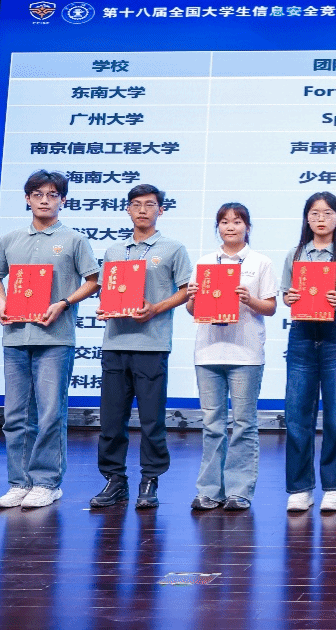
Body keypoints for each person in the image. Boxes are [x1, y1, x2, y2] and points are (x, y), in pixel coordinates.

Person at [0, 170, 99, 509]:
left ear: (63, 200)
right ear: (27, 198)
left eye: (52, 194)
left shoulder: (74, 240)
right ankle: (19, 482)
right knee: (15, 415)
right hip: (16, 335)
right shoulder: (11, 239)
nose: (45, 200)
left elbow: (93, 280)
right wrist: (1, 302)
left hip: (55, 337)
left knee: (50, 413)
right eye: (38, 194)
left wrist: (64, 302)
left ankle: (47, 483)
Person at [92, 184, 192, 509]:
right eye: (136, 204)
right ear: (128, 209)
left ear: (160, 210)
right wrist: (105, 307)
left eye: (150, 204)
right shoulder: (114, 251)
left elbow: (186, 291)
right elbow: (107, 291)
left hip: (152, 344)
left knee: (151, 420)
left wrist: (155, 309)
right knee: (111, 419)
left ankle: (150, 479)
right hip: (115, 343)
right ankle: (114, 480)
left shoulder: (173, 248)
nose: (143, 210)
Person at [185, 203, 278, 512]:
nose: (230, 227)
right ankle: (209, 490)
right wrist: (192, 298)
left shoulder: (260, 262)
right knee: (212, 423)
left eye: (237, 222)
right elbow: (192, 310)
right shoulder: (205, 262)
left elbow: (270, 307)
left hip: (245, 353)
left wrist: (248, 299)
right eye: (224, 222)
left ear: (247, 227)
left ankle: (239, 491)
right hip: (208, 352)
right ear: (218, 228)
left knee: (243, 423)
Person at [280, 192, 336, 513]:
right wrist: (289, 299)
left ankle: (334, 486)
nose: (320, 219)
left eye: (327, 213)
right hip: (302, 335)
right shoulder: (295, 254)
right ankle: (300, 488)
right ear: (307, 218)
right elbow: (286, 294)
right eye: (314, 213)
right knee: (297, 413)